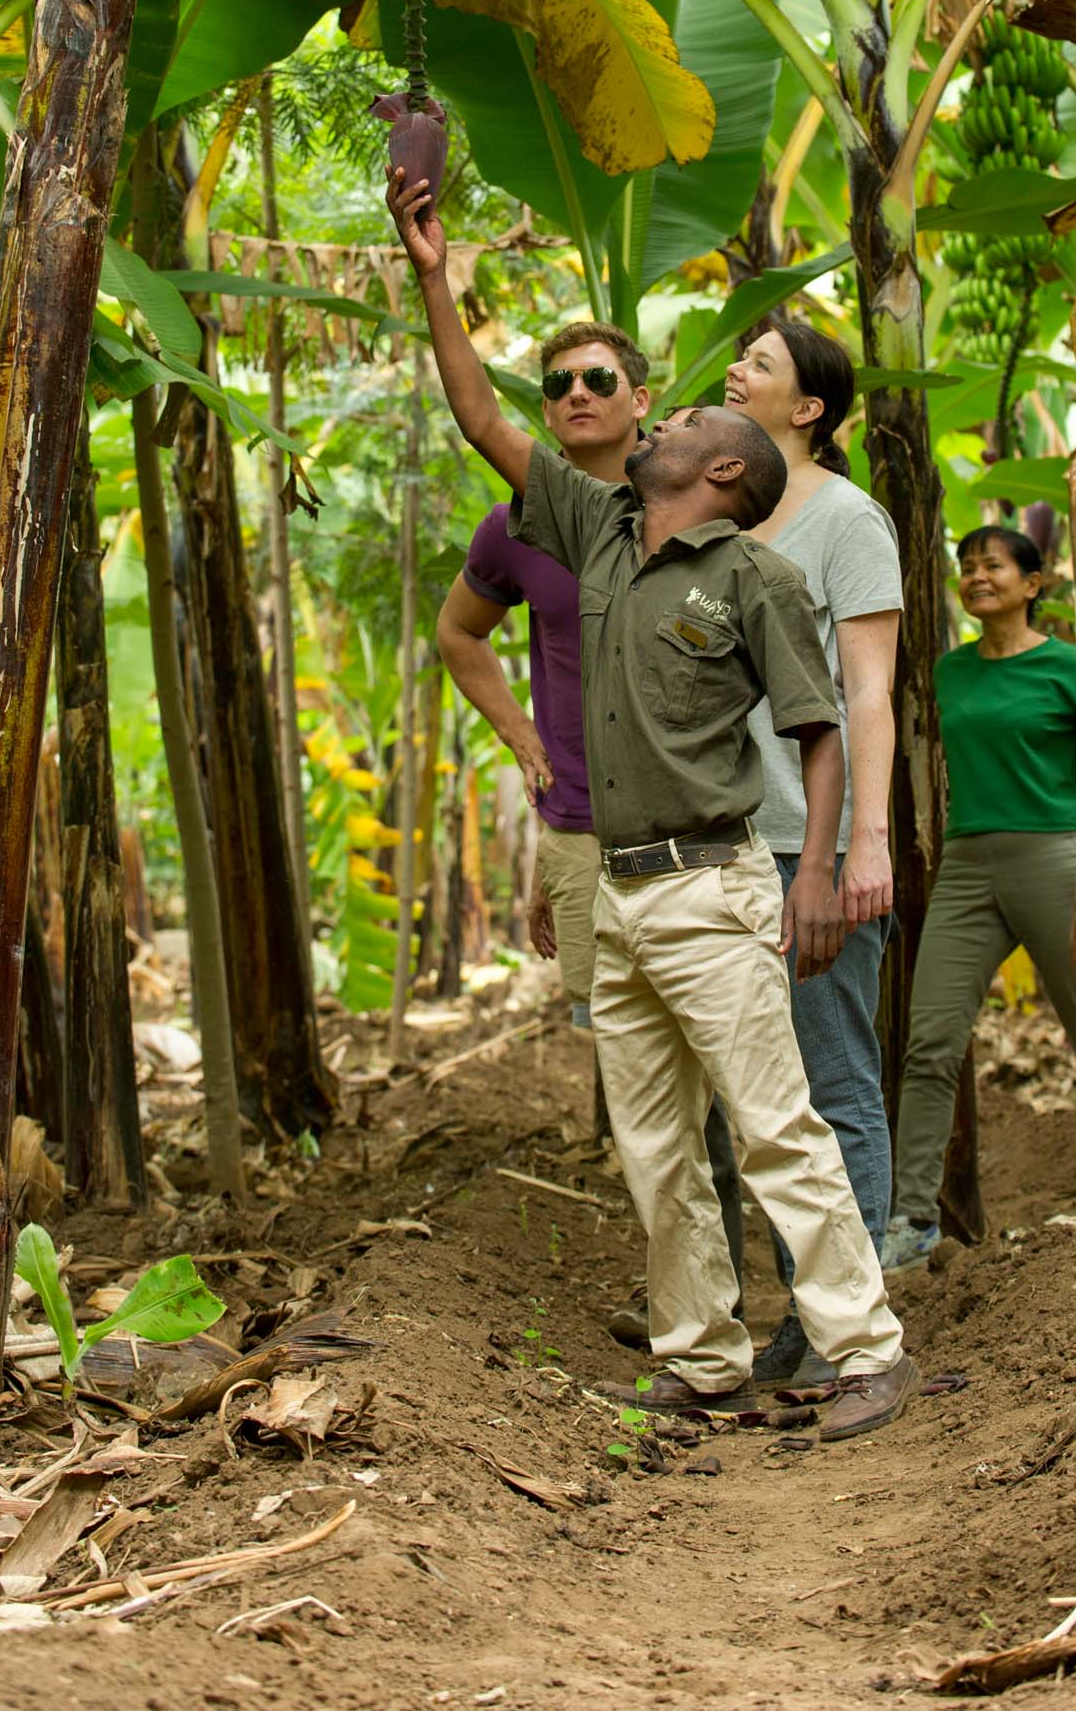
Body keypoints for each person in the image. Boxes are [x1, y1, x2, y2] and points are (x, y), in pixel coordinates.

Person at [388, 164, 916, 1439]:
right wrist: (432, 279)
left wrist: (815, 871)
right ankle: (703, 1353)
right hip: (620, 888)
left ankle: (865, 1346)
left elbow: (820, 730)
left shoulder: (754, 580)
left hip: (713, 883)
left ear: (725, 471)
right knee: (658, 1141)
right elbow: (479, 414)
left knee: (775, 1123)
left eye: (685, 424)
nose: (662, 421)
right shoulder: (599, 530)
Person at [435, 321, 746, 1308]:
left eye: (599, 378)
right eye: (559, 381)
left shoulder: (698, 512)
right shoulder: (519, 525)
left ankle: (758, 1293)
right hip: (581, 830)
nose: (577, 392)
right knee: (644, 1081)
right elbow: (460, 634)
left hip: (695, 828)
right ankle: (696, 1300)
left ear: (640, 400)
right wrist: (524, 740)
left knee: (731, 1073)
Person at [724, 319, 901, 1387]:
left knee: (834, 1083)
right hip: (729, 849)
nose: (735, 367)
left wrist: (860, 847)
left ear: (806, 410)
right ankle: (808, 1309)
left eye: (761, 362)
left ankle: (852, 1324)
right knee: (768, 1102)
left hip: (810, 845)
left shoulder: (846, 518)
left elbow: (869, 691)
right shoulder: (720, 513)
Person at [882, 525, 1076, 1271]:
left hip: (1050, 857)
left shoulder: (1070, 667)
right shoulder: (950, 672)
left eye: (993, 566)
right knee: (931, 1041)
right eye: (966, 566)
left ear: (1032, 584)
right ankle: (911, 1220)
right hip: (967, 865)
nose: (976, 576)